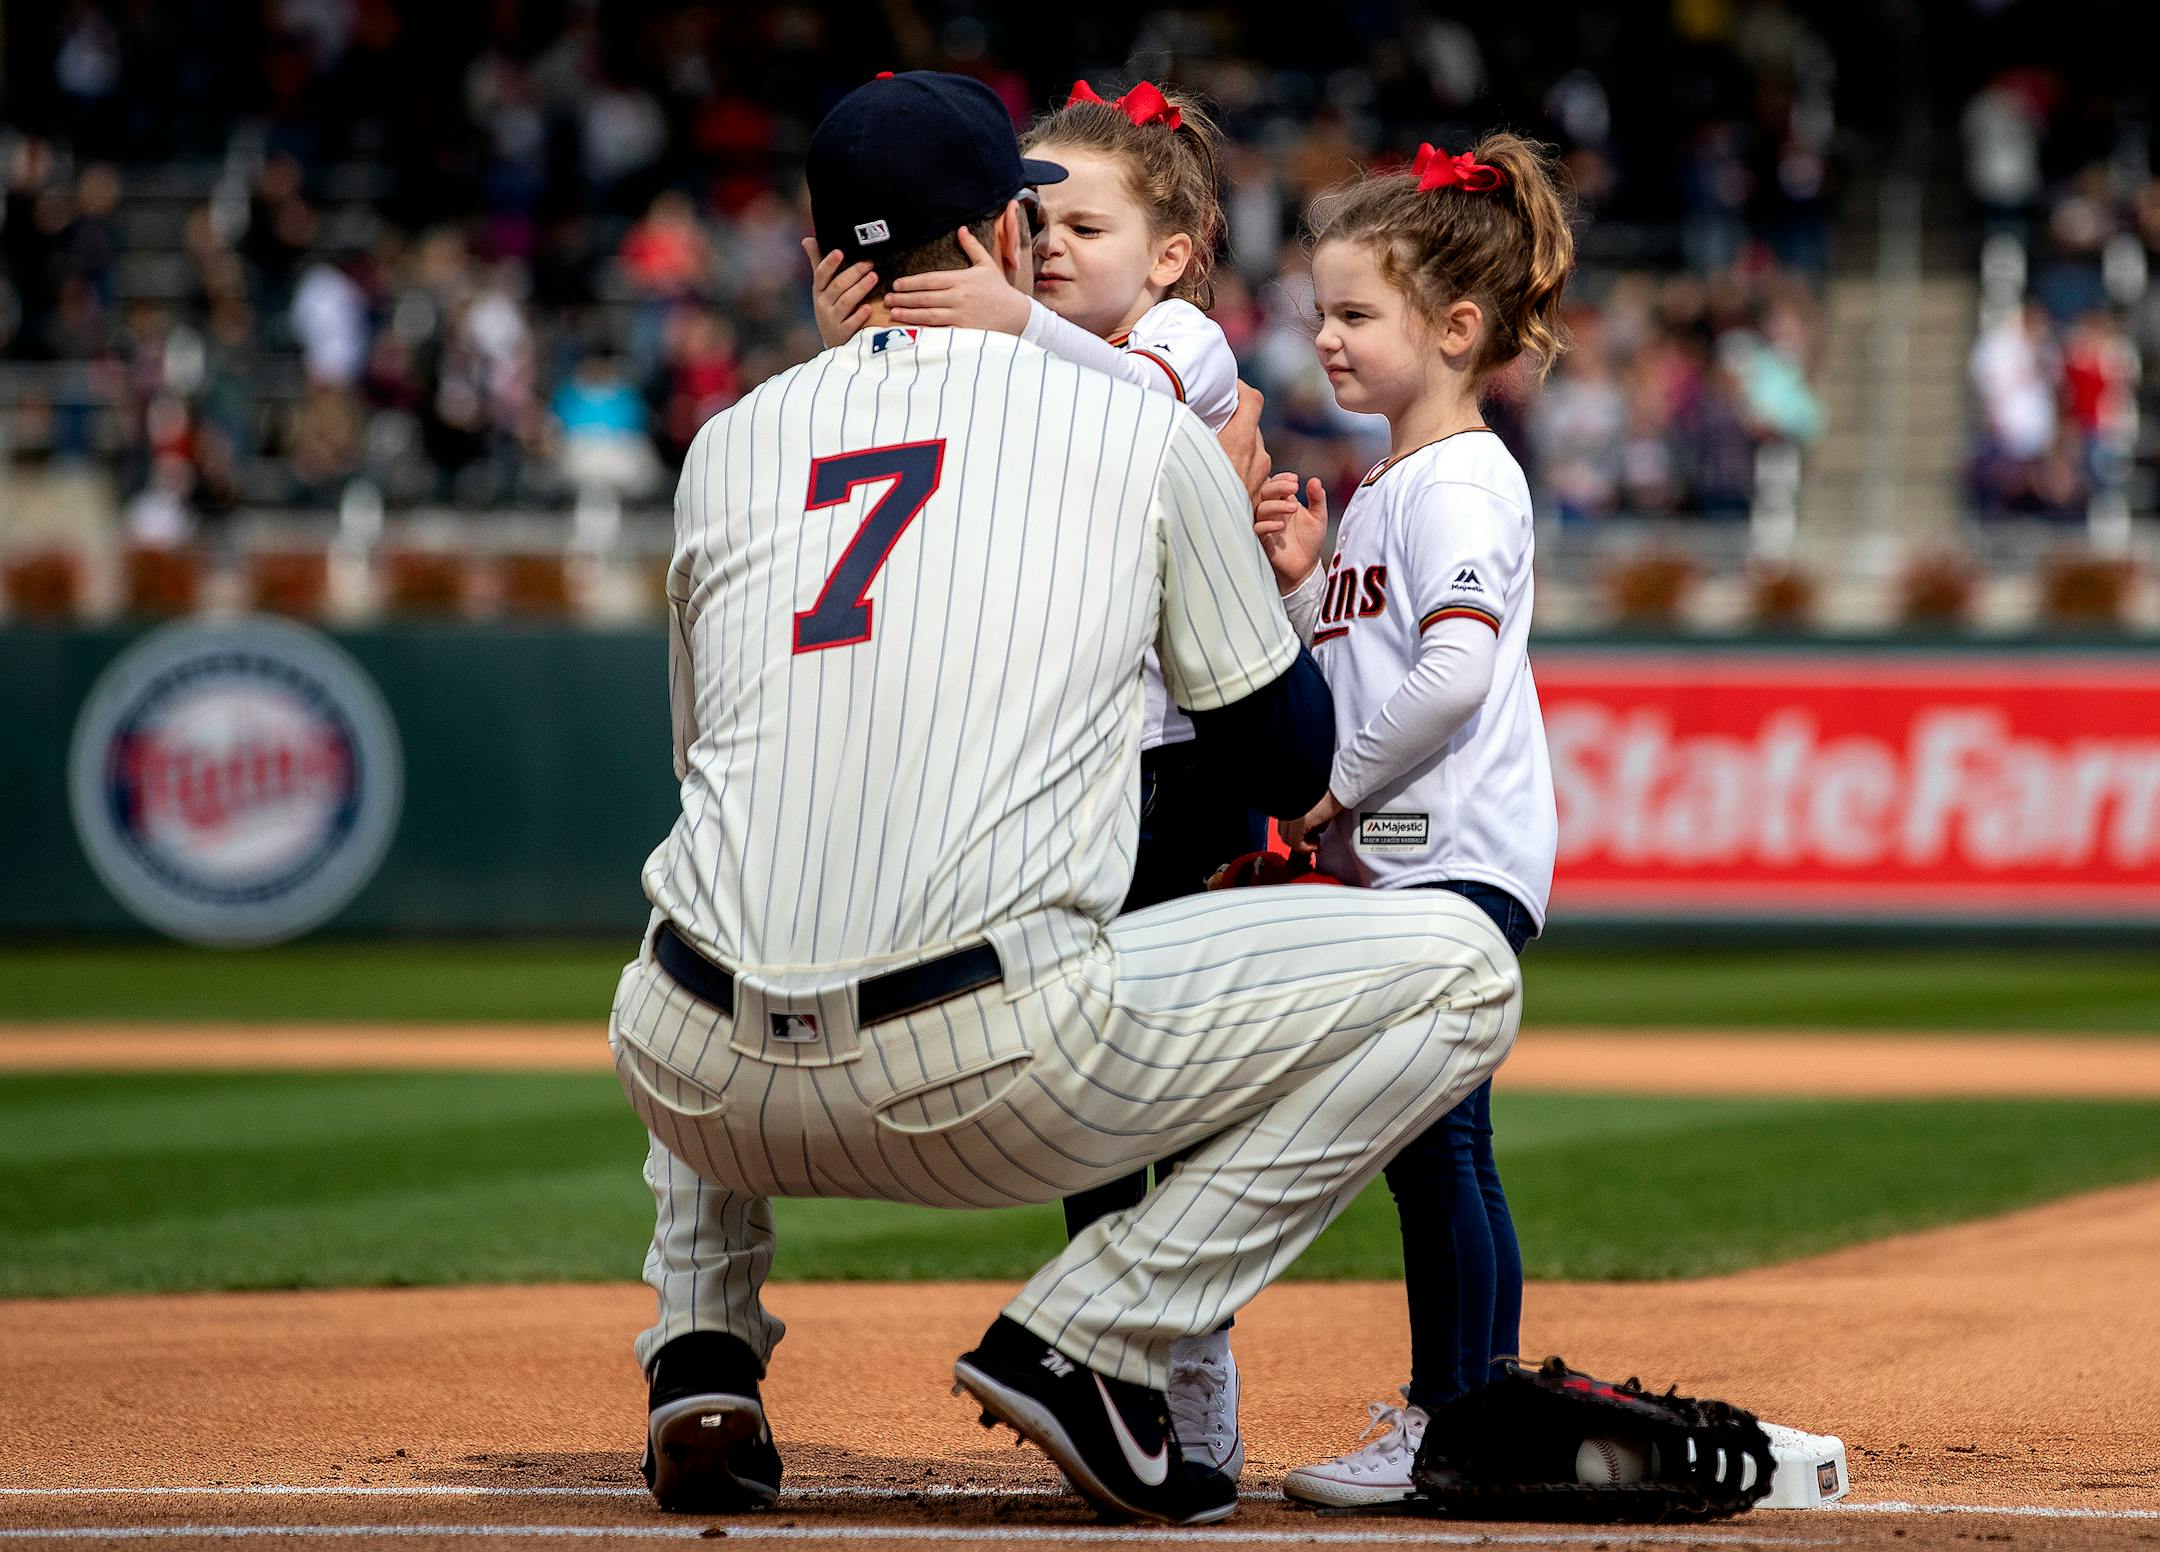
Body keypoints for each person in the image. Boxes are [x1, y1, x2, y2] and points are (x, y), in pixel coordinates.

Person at [612, 71, 1522, 1529]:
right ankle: (1091, 1331)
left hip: (699, 1086)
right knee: (1465, 970)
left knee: (717, 890)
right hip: (985, 1084)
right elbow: (1290, 764)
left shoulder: (726, 447)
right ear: (1000, 230)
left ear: (813, 252)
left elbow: (706, 760)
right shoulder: (1134, 426)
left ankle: (703, 1351)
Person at [802, 73, 1255, 1483]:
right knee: (1081, 1103)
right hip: (1053, 766)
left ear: (1170, 255)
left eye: (1087, 221)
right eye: (1033, 216)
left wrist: (1012, 317)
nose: (1049, 242)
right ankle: (1107, 1369)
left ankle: (1188, 1386)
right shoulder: (1026, 350)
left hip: (1171, 776)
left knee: (1167, 1098)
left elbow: (1160, 413)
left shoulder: (1180, 341)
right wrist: (861, 342)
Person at [1249, 136, 1569, 1508]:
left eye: (1355, 313)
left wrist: (1326, 796)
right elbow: (1367, 670)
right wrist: (1307, 584)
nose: (1323, 336)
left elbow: (1453, 674)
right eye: (1321, 309)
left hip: (1448, 862)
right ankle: (1467, 1416)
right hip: (1409, 867)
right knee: (1433, 1146)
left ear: (1457, 328)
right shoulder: (1388, 487)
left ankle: (1460, 1423)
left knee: (1439, 1145)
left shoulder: (1463, 480)